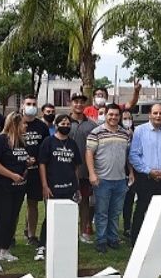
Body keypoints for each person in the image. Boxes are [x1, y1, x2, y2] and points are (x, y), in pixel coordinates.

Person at [0, 112, 30, 273]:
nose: (26, 126)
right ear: (15, 124)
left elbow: (19, 159)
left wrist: (27, 162)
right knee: (2, 220)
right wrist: (11, 175)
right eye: (24, 124)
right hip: (2, 187)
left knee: (13, 219)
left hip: (18, 188)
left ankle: (5, 250)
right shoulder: (0, 140)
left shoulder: (20, 141)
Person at [87, 103, 133, 253]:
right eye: (110, 114)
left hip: (120, 179)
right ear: (105, 115)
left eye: (116, 115)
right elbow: (89, 154)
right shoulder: (96, 132)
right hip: (102, 179)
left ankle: (113, 239)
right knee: (102, 212)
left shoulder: (125, 133)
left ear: (119, 116)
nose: (113, 117)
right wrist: (92, 173)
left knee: (115, 212)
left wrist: (131, 172)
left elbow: (128, 156)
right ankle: (101, 240)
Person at [128, 103, 161, 245]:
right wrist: (149, 171)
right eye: (155, 113)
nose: (158, 116)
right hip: (146, 177)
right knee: (142, 208)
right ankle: (136, 240)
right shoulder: (140, 131)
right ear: (149, 114)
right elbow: (134, 155)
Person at [35, 114, 82, 260]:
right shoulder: (48, 142)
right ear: (56, 125)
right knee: (50, 218)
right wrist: (44, 185)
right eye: (63, 123)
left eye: (68, 124)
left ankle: (66, 247)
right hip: (53, 187)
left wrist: (77, 187)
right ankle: (42, 246)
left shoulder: (72, 144)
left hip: (70, 187)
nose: (66, 126)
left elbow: (76, 167)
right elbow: (42, 164)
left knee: (69, 218)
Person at [21, 95, 50, 246]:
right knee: (14, 205)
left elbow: (45, 149)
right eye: (28, 104)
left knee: (33, 204)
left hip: (36, 172)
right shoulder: (15, 123)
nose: (31, 106)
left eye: (34, 104)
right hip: (17, 172)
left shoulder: (42, 126)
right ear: (22, 105)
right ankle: (10, 236)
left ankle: (31, 235)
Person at [69, 92, 97, 243]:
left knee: (85, 201)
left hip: (85, 170)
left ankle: (84, 232)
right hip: (66, 170)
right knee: (68, 202)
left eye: (81, 102)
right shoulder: (64, 121)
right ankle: (68, 231)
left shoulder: (91, 125)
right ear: (71, 103)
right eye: (76, 101)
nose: (78, 104)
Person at [121, 109, 137, 239]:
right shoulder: (119, 134)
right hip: (121, 172)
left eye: (129, 118)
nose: (127, 121)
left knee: (129, 201)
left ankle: (128, 227)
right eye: (124, 118)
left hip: (136, 173)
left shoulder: (137, 133)